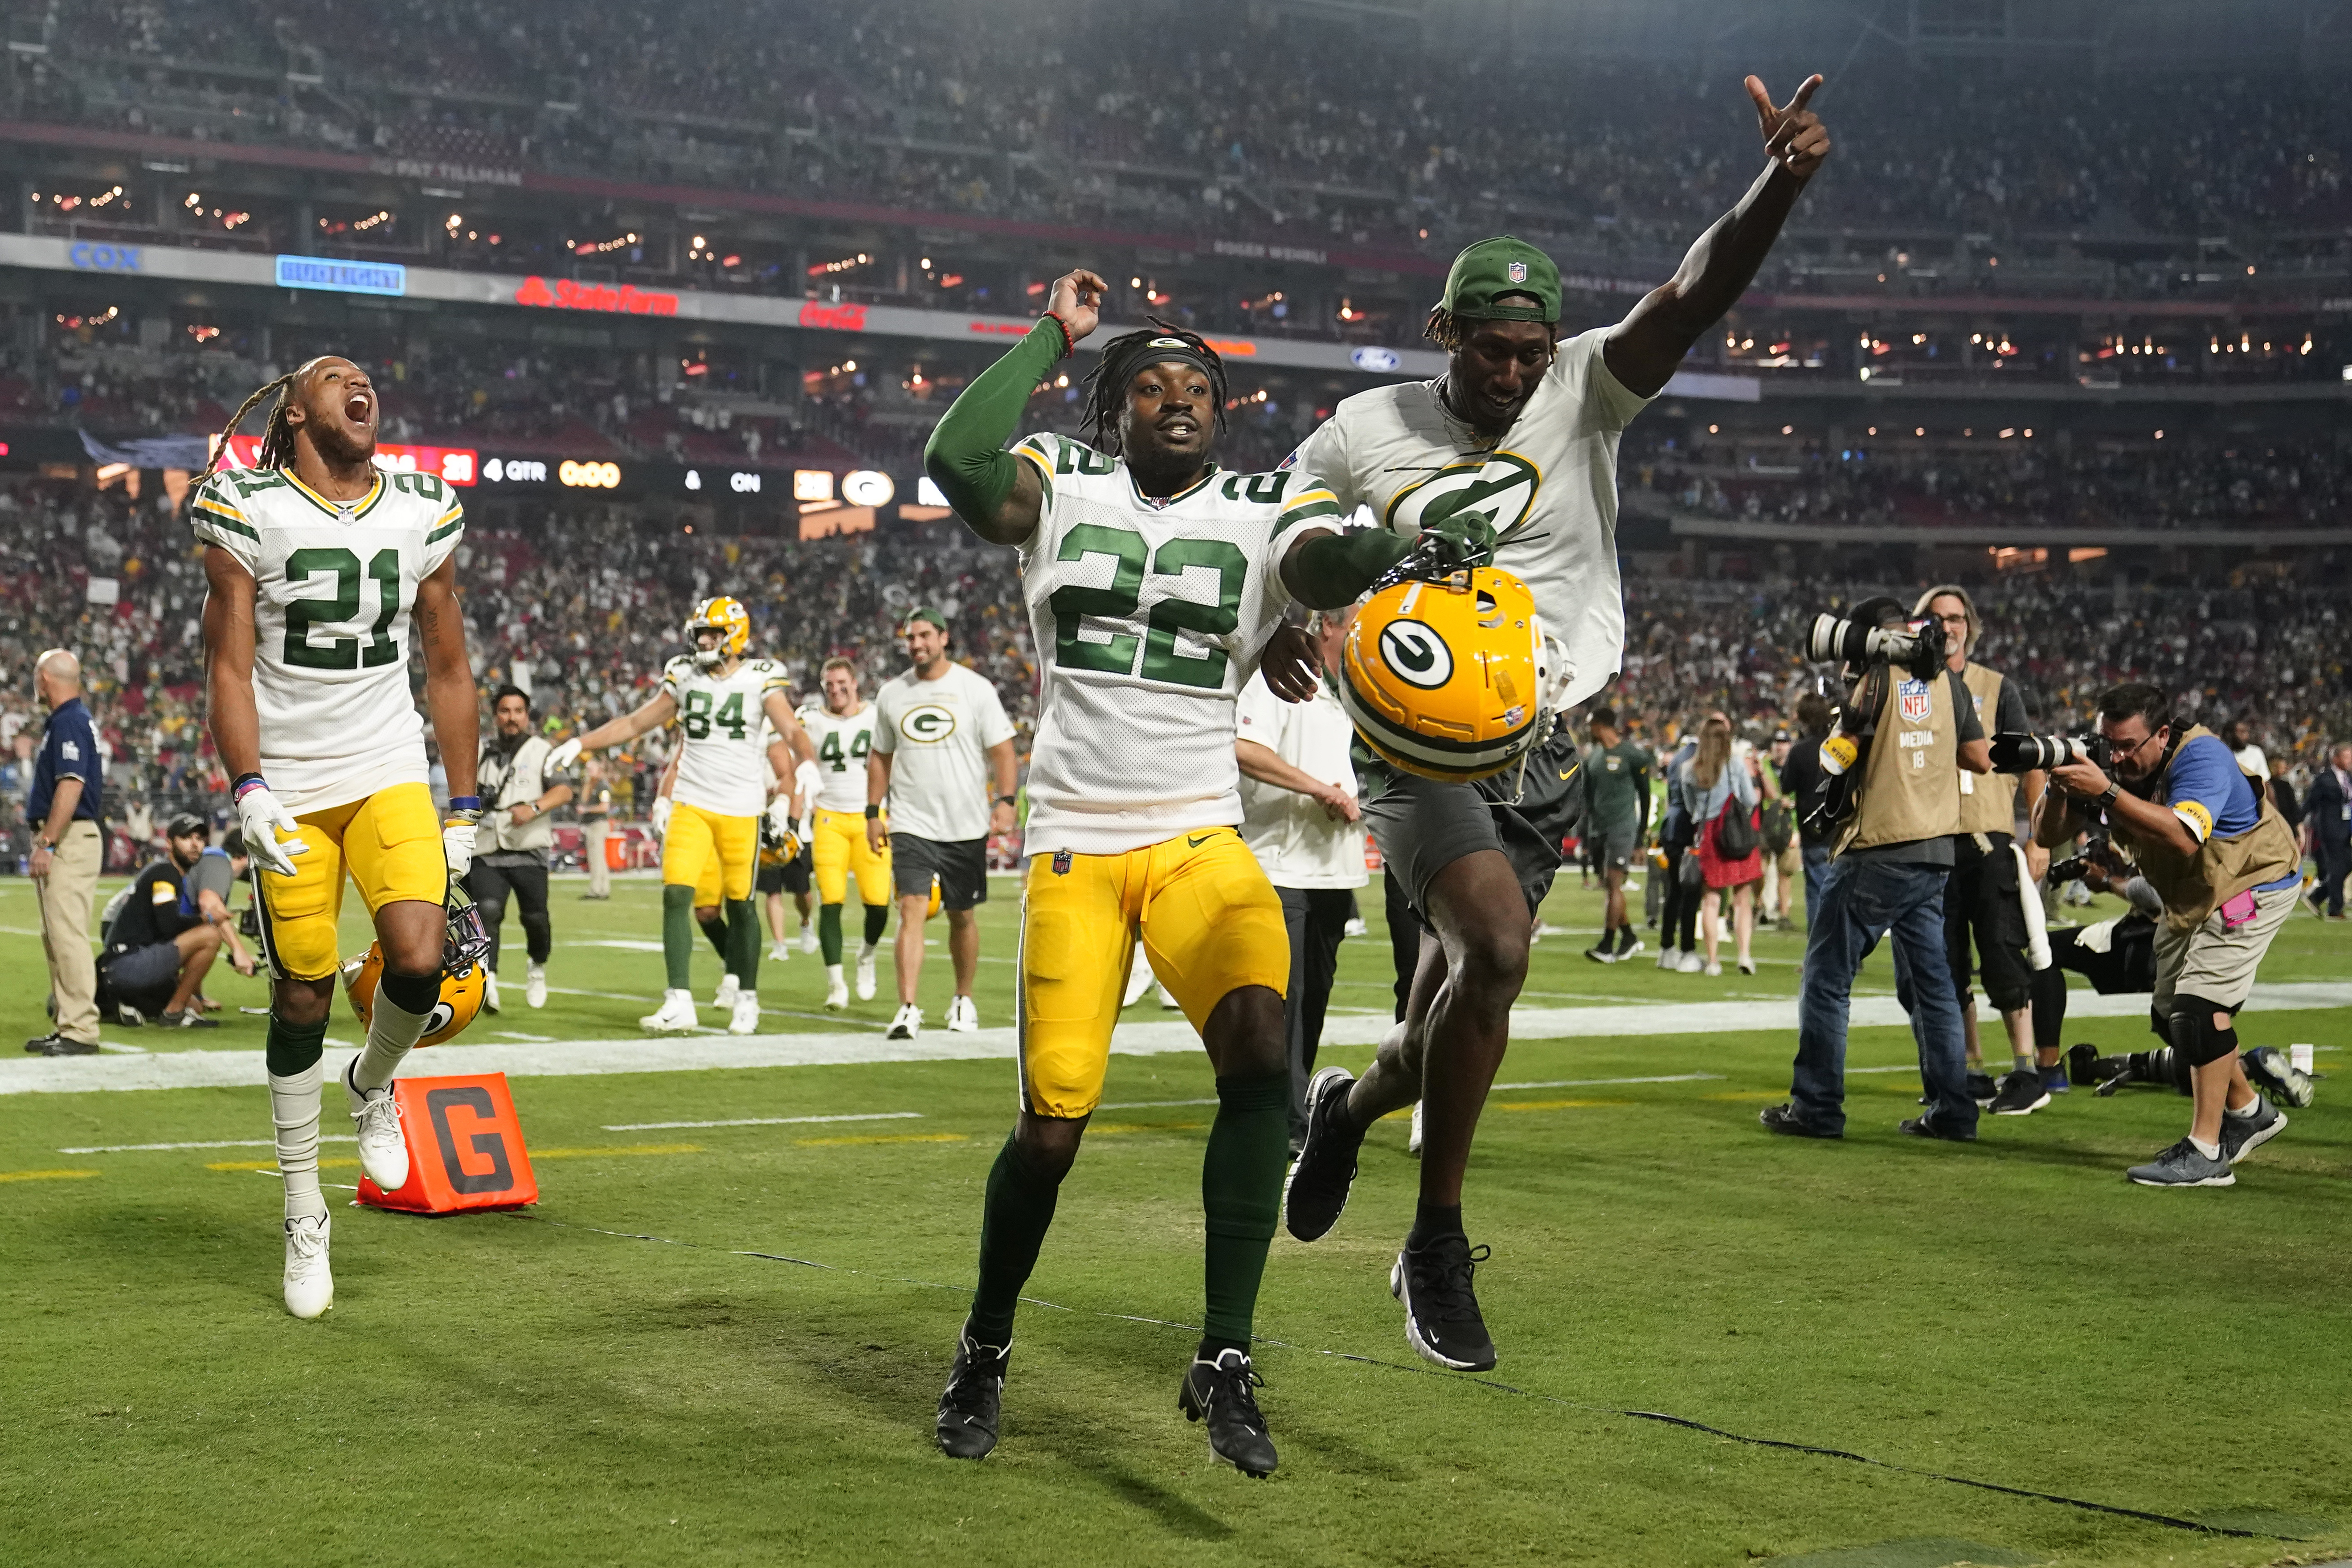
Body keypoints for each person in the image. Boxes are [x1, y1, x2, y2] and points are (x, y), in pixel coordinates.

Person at [1276, 78, 1834, 1371]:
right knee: (1503, 947)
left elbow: (1690, 294)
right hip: (1413, 741)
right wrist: (1395, 533)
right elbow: (1300, 563)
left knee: (1439, 1020)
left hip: (1544, 740)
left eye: (1528, 352)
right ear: (1442, 330)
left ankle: (1347, 1110)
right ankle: (1433, 1238)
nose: (1512, 372)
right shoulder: (1363, 431)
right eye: (1488, 350)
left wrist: (1778, 185)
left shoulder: (1584, 388)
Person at [917, 270, 1433, 1474]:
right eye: (1149, 384)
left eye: (1197, 385)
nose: (1178, 399)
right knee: (1051, 1127)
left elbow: (1312, 570)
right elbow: (954, 455)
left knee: (1264, 1056)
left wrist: (1387, 540)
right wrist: (1050, 329)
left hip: (1203, 833)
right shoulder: (1060, 473)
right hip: (1078, 842)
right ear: (1113, 410)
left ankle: (1226, 1352)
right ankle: (984, 1340)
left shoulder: (1261, 501)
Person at [192, 355, 481, 1318]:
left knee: (419, 958)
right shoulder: (248, 508)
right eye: (334, 377)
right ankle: (303, 1208)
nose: (360, 387)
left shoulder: (420, 507)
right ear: (295, 409)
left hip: (387, 763)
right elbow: (227, 666)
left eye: (366, 379)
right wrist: (249, 789)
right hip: (293, 785)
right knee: (305, 990)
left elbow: (447, 665)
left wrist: (467, 802)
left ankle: (373, 1081)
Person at [2038, 684, 2304, 1186]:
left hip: (2254, 881)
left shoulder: (2200, 756)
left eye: (2127, 746)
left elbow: (2182, 835)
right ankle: (2249, 1109)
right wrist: (2059, 783)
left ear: (2161, 734)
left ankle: (2205, 1153)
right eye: (2108, 743)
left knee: (2198, 1012)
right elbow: (2044, 836)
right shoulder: (2110, 764)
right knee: (2169, 1020)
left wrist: (2103, 790)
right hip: (2192, 896)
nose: (2115, 756)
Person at [1760, 596, 1989, 1142]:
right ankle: (1953, 1112)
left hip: (1877, 848)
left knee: (1825, 982)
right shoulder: (1945, 679)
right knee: (1936, 989)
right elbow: (1979, 758)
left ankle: (1816, 1107)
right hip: (1934, 850)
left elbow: (1839, 758)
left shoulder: (1873, 681)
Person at [548, 598, 814, 1035]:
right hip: (692, 800)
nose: (703, 641)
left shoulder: (760, 678)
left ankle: (747, 998)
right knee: (676, 895)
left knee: (742, 905)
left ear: (736, 634)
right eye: (701, 633)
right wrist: (582, 743)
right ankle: (678, 1000)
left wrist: (805, 763)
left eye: (712, 633)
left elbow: (791, 730)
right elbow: (636, 723)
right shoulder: (683, 674)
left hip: (742, 806)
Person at [1910, 586, 2048, 1116]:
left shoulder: (1995, 687)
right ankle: (1968, 1068)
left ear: (1970, 625)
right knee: (1944, 965)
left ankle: (2024, 1069)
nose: (1946, 627)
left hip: (1987, 838)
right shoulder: (1909, 686)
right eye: (1935, 618)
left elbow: (2031, 761)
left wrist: (2037, 837)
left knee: (2001, 952)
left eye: (1955, 617)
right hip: (1929, 838)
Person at [1235, 606, 1367, 1148]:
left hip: (1336, 868)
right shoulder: (1283, 678)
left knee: (1313, 997)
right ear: (1328, 626)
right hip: (1277, 863)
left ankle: (1293, 1109)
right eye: (1358, 623)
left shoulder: (1360, 692)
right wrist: (1319, 789)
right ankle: (1286, 1121)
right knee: (1282, 999)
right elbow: (1243, 748)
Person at [867, 608, 1018, 1040]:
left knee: (961, 915)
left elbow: (1003, 750)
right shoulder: (892, 694)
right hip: (910, 821)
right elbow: (879, 756)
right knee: (911, 907)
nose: (915, 644)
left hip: (965, 822)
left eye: (924, 636)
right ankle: (907, 1008)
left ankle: (962, 999)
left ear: (943, 637)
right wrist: (872, 812)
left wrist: (1005, 802)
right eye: (910, 637)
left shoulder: (974, 689)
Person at [470, 685, 573, 1013]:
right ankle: (490, 981)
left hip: (528, 847)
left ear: (526, 715)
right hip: (488, 846)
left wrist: (535, 806)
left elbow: (564, 791)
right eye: (505, 711)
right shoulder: (482, 753)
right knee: (487, 910)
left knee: (535, 918)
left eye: (517, 711)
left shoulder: (543, 750)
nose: (511, 718)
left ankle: (537, 965)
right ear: (495, 715)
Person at [98, 814, 256, 1026]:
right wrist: (208, 919)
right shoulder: (166, 874)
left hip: (125, 962)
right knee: (211, 935)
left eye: (200, 839)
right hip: (129, 962)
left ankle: (125, 1005)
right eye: (186, 838)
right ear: (169, 843)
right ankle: (173, 1014)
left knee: (196, 1006)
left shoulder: (170, 872)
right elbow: (169, 926)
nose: (194, 844)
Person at [800, 656, 894, 1008]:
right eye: (829, 685)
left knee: (878, 904)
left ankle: (866, 955)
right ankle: (836, 983)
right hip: (828, 818)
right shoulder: (809, 719)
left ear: (855, 684)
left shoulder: (876, 715)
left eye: (842, 684)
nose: (836, 690)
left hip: (871, 817)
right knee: (831, 901)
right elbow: (788, 745)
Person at [25, 648, 106, 1056]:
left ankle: (80, 1028)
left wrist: (50, 842)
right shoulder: (69, 720)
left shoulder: (69, 721)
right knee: (56, 934)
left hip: (70, 837)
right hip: (66, 836)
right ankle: (68, 1022)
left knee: (67, 934)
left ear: (45, 679)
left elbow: (71, 785)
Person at [1677, 714, 1760, 976]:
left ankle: (1713, 962)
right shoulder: (1735, 765)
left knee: (1711, 902)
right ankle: (1745, 956)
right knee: (1741, 900)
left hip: (1709, 836)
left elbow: (1691, 810)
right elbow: (1749, 798)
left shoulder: (1689, 770)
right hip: (1734, 833)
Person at [1579, 706, 1650, 964]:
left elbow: (1645, 795)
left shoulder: (1632, 756)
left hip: (1622, 827)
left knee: (1614, 884)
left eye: (1591, 725)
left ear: (1601, 725)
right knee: (1610, 886)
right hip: (1599, 829)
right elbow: (1587, 799)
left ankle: (1608, 944)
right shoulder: (1593, 758)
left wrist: (1641, 837)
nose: (1589, 731)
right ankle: (1629, 937)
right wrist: (1587, 836)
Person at [1779, 694, 1836, 931]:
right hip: (1842, 828)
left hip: (1813, 830)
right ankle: (1849, 952)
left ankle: (1820, 959)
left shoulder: (1800, 750)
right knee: (1841, 892)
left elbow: (1786, 786)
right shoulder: (1839, 746)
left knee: (1817, 892)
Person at [2305, 742, 2351, 919]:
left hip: (2345, 828)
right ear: (2336, 758)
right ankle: (2335, 908)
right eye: (2347, 756)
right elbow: (2311, 802)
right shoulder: (2325, 779)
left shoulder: (2348, 778)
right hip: (2330, 829)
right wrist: (2296, 822)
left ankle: (2318, 896)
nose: (2350, 760)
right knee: (2339, 866)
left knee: (2345, 864)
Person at [1760, 729, 1800, 929]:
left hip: (1788, 823)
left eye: (1784, 742)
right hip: (1766, 823)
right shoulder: (1764, 766)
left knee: (1786, 872)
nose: (1779, 746)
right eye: (1776, 742)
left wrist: (1790, 804)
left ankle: (1784, 915)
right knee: (1760, 870)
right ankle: (1759, 908)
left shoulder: (1794, 766)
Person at [578, 756, 614, 901]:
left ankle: (597, 889)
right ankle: (603, 888)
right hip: (592, 824)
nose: (588, 772)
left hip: (598, 824)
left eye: (590, 769)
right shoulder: (591, 785)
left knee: (596, 858)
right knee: (598, 858)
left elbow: (605, 807)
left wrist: (586, 810)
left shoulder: (602, 786)